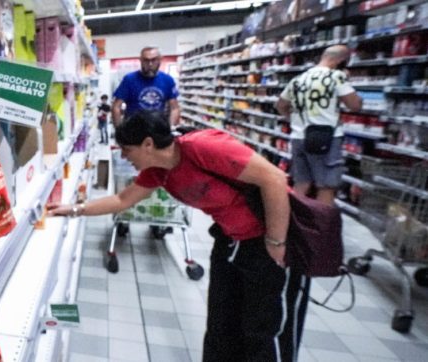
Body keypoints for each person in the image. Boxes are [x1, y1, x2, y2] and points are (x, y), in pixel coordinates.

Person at [49, 110, 310, 361]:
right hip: (229, 242)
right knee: (221, 325)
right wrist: (72, 210)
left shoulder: (201, 146)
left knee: (265, 332)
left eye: (128, 150)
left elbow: (274, 179)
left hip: (267, 242)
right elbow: (121, 200)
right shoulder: (157, 171)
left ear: (148, 143)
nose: (125, 157)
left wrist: (276, 242)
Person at [275, 45, 362, 205]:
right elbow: (355, 105)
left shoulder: (298, 79)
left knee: (301, 183)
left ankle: (295, 222)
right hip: (325, 138)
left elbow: (280, 105)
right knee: (326, 186)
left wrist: (294, 119)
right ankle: (323, 227)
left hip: (298, 137)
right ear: (340, 61)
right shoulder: (336, 76)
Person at [111, 46, 180, 126]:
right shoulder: (129, 79)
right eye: (146, 60)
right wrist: (119, 132)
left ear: (160, 60)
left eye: (153, 60)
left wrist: (171, 129)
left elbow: (174, 108)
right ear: (140, 60)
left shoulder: (167, 80)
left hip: (158, 130)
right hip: (134, 130)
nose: (150, 64)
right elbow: (116, 107)